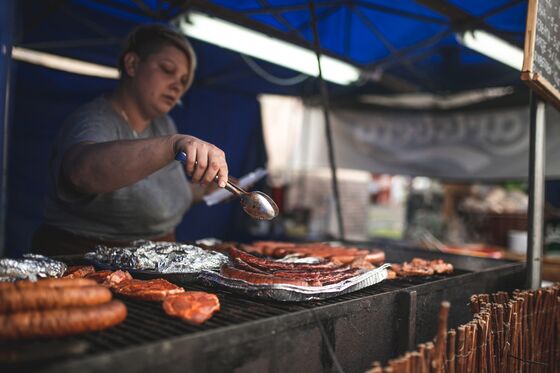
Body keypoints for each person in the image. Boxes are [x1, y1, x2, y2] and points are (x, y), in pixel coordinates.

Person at [32, 24, 229, 255]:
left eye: (184, 80)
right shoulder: (94, 119)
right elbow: (82, 174)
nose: (178, 85)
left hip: (153, 264)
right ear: (132, 64)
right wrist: (171, 144)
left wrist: (209, 190)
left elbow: (155, 192)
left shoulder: (163, 124)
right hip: (88, 267)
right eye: (167, 69)